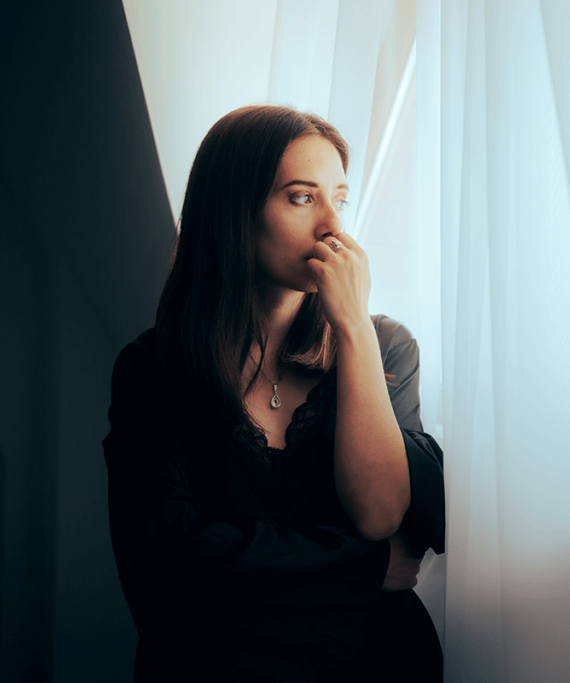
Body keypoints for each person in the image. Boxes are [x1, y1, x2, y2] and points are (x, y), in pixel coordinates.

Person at [102, 105, 445, 682]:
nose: (333, 226)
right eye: (301, 197)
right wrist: (360, 570)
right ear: (235, 211)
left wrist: (353, 329)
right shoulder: (154, 367)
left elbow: (380, 513)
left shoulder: (384, 347)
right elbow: (167, 561)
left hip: (377, 662)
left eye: (340, 198)